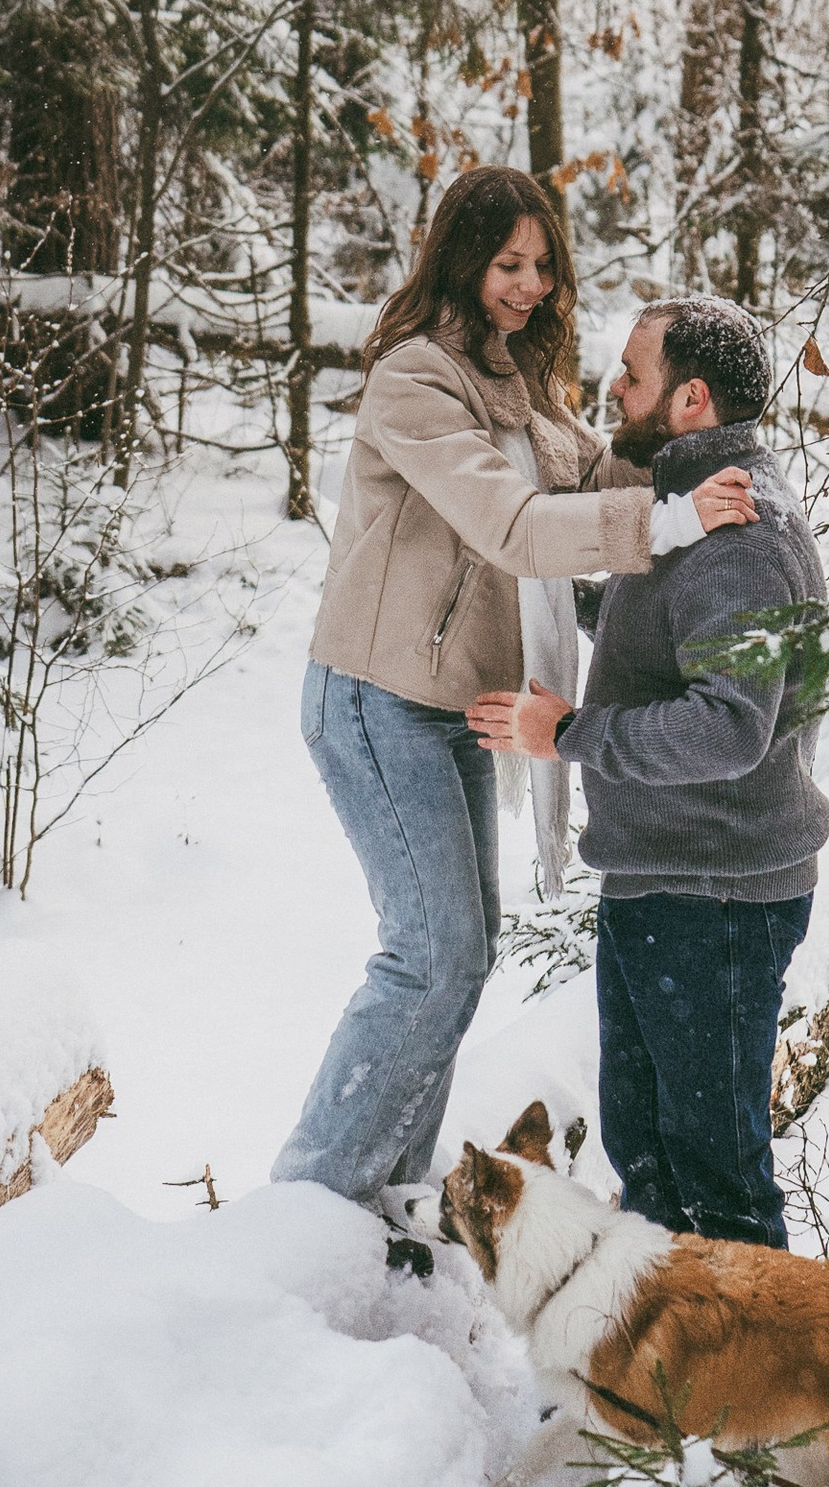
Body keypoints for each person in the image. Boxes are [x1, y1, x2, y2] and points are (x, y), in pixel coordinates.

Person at [272, 170, 755, 1230]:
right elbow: (516, 526)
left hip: (450, 703)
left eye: (542, 265)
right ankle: (309, 1206)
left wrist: (710, 462)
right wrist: (669, 523)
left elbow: (594, 481)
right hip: (374, 697)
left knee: (458, 958)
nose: (530, 285)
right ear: (462, 259)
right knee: (430, 956)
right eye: (508, 264)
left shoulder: (513, 379)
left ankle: (387, 1202)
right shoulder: (414, 379)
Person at [471, 293, 828, 1252]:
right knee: (650, 1155)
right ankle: (673, 1350)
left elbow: (728, 729)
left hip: (717, 899)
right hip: (667, 884)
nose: (614, 389)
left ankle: (756, 1351)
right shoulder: (693, 510)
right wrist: (569, 599)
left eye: (633, 376)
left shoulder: (740, 540)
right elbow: (670, 632)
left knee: (716, 1178)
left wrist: (569, 733)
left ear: (691, 399)